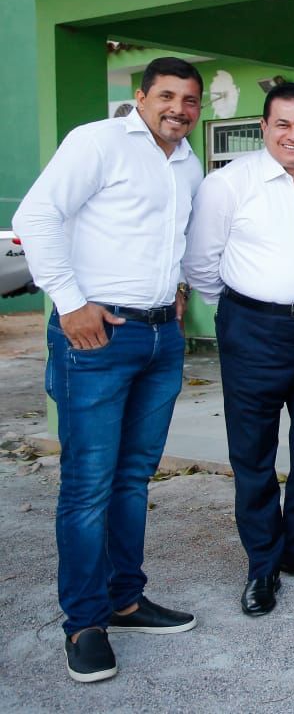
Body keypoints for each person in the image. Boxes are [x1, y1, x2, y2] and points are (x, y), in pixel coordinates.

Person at [14, 57, 204, 683]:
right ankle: (84, 623)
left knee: (133, 479)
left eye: (191, 100)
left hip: (157, 337)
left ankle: (125, 598)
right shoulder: (97, 142)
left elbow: (170, 243)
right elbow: (35, 218)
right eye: (168, 96)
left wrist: (176, 295)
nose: (179, 108)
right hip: (97, 335)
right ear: (142, 95)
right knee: (89, 485)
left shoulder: (187, 164)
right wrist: (69, 303)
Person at [183, 82, 294, 617]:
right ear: (264, 127)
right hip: (252, 330)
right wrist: (238, 313)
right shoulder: (228, 184)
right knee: (253, 453)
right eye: (283, 124)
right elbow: (201, 263)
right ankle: (262, 561)